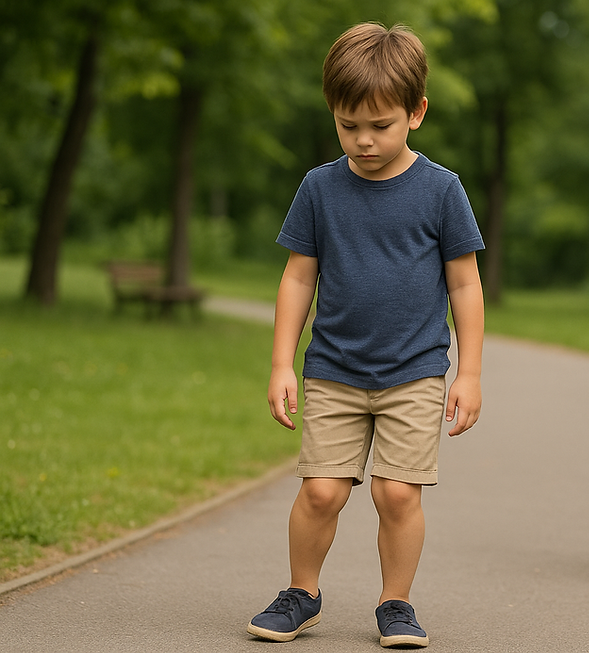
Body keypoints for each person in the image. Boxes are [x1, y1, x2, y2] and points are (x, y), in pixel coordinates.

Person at [246, 23, 485, 648]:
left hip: (415, 371)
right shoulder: (320, 188)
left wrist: (470, 372)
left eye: (379, 125)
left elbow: (465, 286)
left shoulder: (441, 190)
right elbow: (298, 278)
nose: (363, 140)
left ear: (417, 112)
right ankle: (302, 592)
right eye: (348, 125)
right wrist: (281, 364)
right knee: (322, 491)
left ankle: (396, 605)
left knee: (397, 494)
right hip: (334, 370)